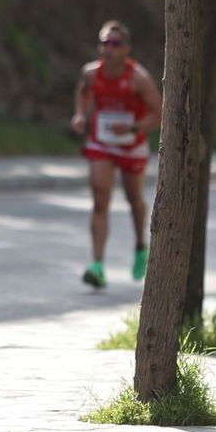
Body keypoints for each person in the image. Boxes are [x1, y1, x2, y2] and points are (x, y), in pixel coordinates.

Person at [70, 19, 162, 290]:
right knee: (100, 199)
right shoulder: (90, 73)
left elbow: (160, 113)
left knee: (134, 199)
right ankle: (97, 266)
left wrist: (133, 127)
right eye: (104, 43)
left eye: (115, 44)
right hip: (102, 141)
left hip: (131, 143)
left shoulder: (138, 78)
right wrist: (79, 114)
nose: (108, 49)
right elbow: (83, 93)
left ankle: (140, 247)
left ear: (126, 49)